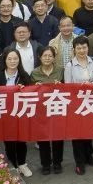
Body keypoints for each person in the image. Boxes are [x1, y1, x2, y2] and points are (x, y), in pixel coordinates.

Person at [0, 50, 33, 177]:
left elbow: (33, 92)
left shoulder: (24, 76)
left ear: (19, 60)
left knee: (21, 141)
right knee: (9, 142)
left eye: (15, 59)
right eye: (9, 59)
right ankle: (14, 165)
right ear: (5, 60)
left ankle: (22, 164)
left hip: (20, 114)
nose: (12, 61)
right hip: (5, 115)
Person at [63, 36, 93, 175]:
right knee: (77, 134)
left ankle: (89, 156)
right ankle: (79, 162)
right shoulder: (70, 65)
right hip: (77, 104)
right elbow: (67, 86)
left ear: (88, 48)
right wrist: (80, 88)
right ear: (74, 49)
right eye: (78, 48)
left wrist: (91, 85)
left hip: (92, 102)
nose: (81, 50)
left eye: (84, 47)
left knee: (88, 131)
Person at [31, 46, 65, 175]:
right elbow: (29, 92)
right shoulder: (34, 73)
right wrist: (35, 87)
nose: (47, 58)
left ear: (53, 57)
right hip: (41, 110)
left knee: (57, 138)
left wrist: (61, 86)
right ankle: (45, 164)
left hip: (57, 108)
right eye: (44, 56)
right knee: (43, 138)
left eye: (50, 56)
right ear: (40, 57)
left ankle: (57, 163)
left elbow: (68, 89)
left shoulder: (60, 71)